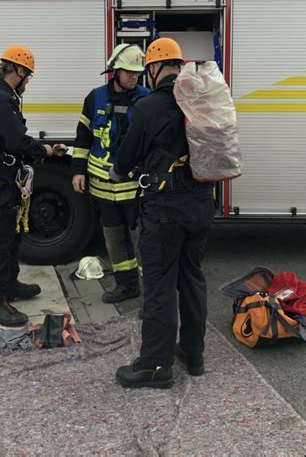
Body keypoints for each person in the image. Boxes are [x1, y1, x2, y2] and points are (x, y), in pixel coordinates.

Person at [111, 38, 216, 389]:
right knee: (192, 278)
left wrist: (117, 170)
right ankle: (193, 354)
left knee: (159, 285)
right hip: (201, 205)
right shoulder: (200, 100)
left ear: (154, 69)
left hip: (165, 210)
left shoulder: (148, 107)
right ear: (180, 65)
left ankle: (155, 366)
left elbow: (125, 159)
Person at [0, 45, 63, 327]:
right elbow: (16, 141)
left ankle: (10, 283)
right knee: (2, 238)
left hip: (4, 176)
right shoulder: (1, 99)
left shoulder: (1, 96)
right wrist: (46, 151)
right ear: (20, 71)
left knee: (12, 234)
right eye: (29, 77)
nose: (28, 83)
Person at [72, 43, 150, 303]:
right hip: (103, 186)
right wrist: (78, 171)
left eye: (137, 73)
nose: (133, 77)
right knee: (114, 240)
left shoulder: (147, 98)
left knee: (143, 240)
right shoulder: (94, 98)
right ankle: (127, 286)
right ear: (114, 71)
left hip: (135, 187)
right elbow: (83, 138)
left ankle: (151, 289)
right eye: (128, 72)